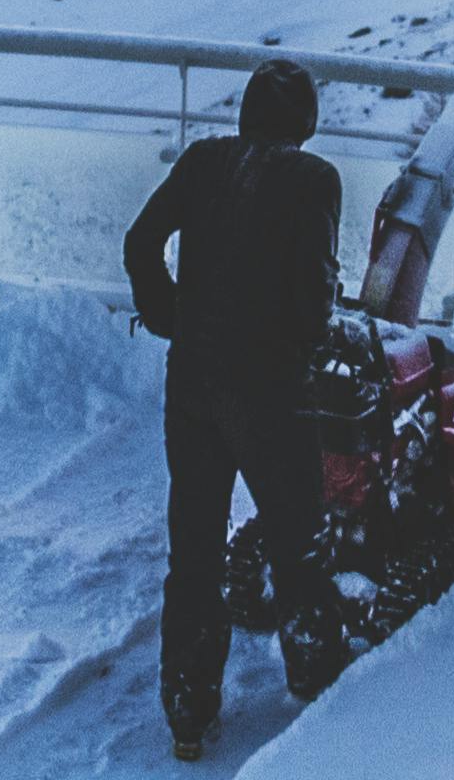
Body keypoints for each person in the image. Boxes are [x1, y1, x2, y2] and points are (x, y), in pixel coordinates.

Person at [122, 56, 350, 758]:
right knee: (297, 542)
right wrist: (311, 348)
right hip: (271, 393)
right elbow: (313, 301)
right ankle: (316, 688)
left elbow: (140, 243)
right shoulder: (314, 180)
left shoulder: (200, 163)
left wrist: (170, 316)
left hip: (192, 382)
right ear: (305, 122)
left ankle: (188, 709)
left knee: (194, 548)